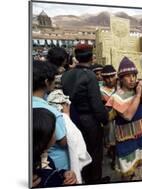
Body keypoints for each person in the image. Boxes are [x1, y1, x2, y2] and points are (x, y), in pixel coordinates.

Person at [61, 44, 109, 184]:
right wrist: (105, 119)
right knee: (94, 152)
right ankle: (95, 180)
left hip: (72, 118)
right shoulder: (90, 76)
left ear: (76, 57)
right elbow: (96, 104)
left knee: (80, 150)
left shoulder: (66, 75)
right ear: (91, 57)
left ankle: (84, 178)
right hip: (89, 121)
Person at [106, 57, 142, 180]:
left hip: (140, 136)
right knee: (126, 170)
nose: (132, 79)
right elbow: (128, 116)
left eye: (134, 75)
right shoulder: (116, 97)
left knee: (134, 167)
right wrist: (138, 95)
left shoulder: (137, 92)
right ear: (121, 79)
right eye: (128, 76)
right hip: (126, 141)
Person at [47, 90, 92, 184]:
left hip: (52, 161)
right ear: (64, 106)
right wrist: (66, 115)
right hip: (62, 164)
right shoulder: (62, 119)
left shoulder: (48, 115)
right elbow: (67, 142)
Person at [32, 60, 70, 171]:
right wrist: (66, 116)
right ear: (46, 81)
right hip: (54, 163)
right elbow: (63, 141)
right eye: (54, 79)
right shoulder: (51, 113)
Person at [33, 108, 77, 187]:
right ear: (46, 137)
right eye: (54, 130)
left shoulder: (43, 155)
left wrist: (63, 173)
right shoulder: (35, 174)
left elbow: (48, 169)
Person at [100, 65, 118, 169]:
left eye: (112, 76)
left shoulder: (120, 88)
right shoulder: (100, 90)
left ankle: (115, 159)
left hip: (118, 121)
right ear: (103, 78)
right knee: (110, 142)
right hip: (107, 122)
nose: (110, 80)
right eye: (107, 77)